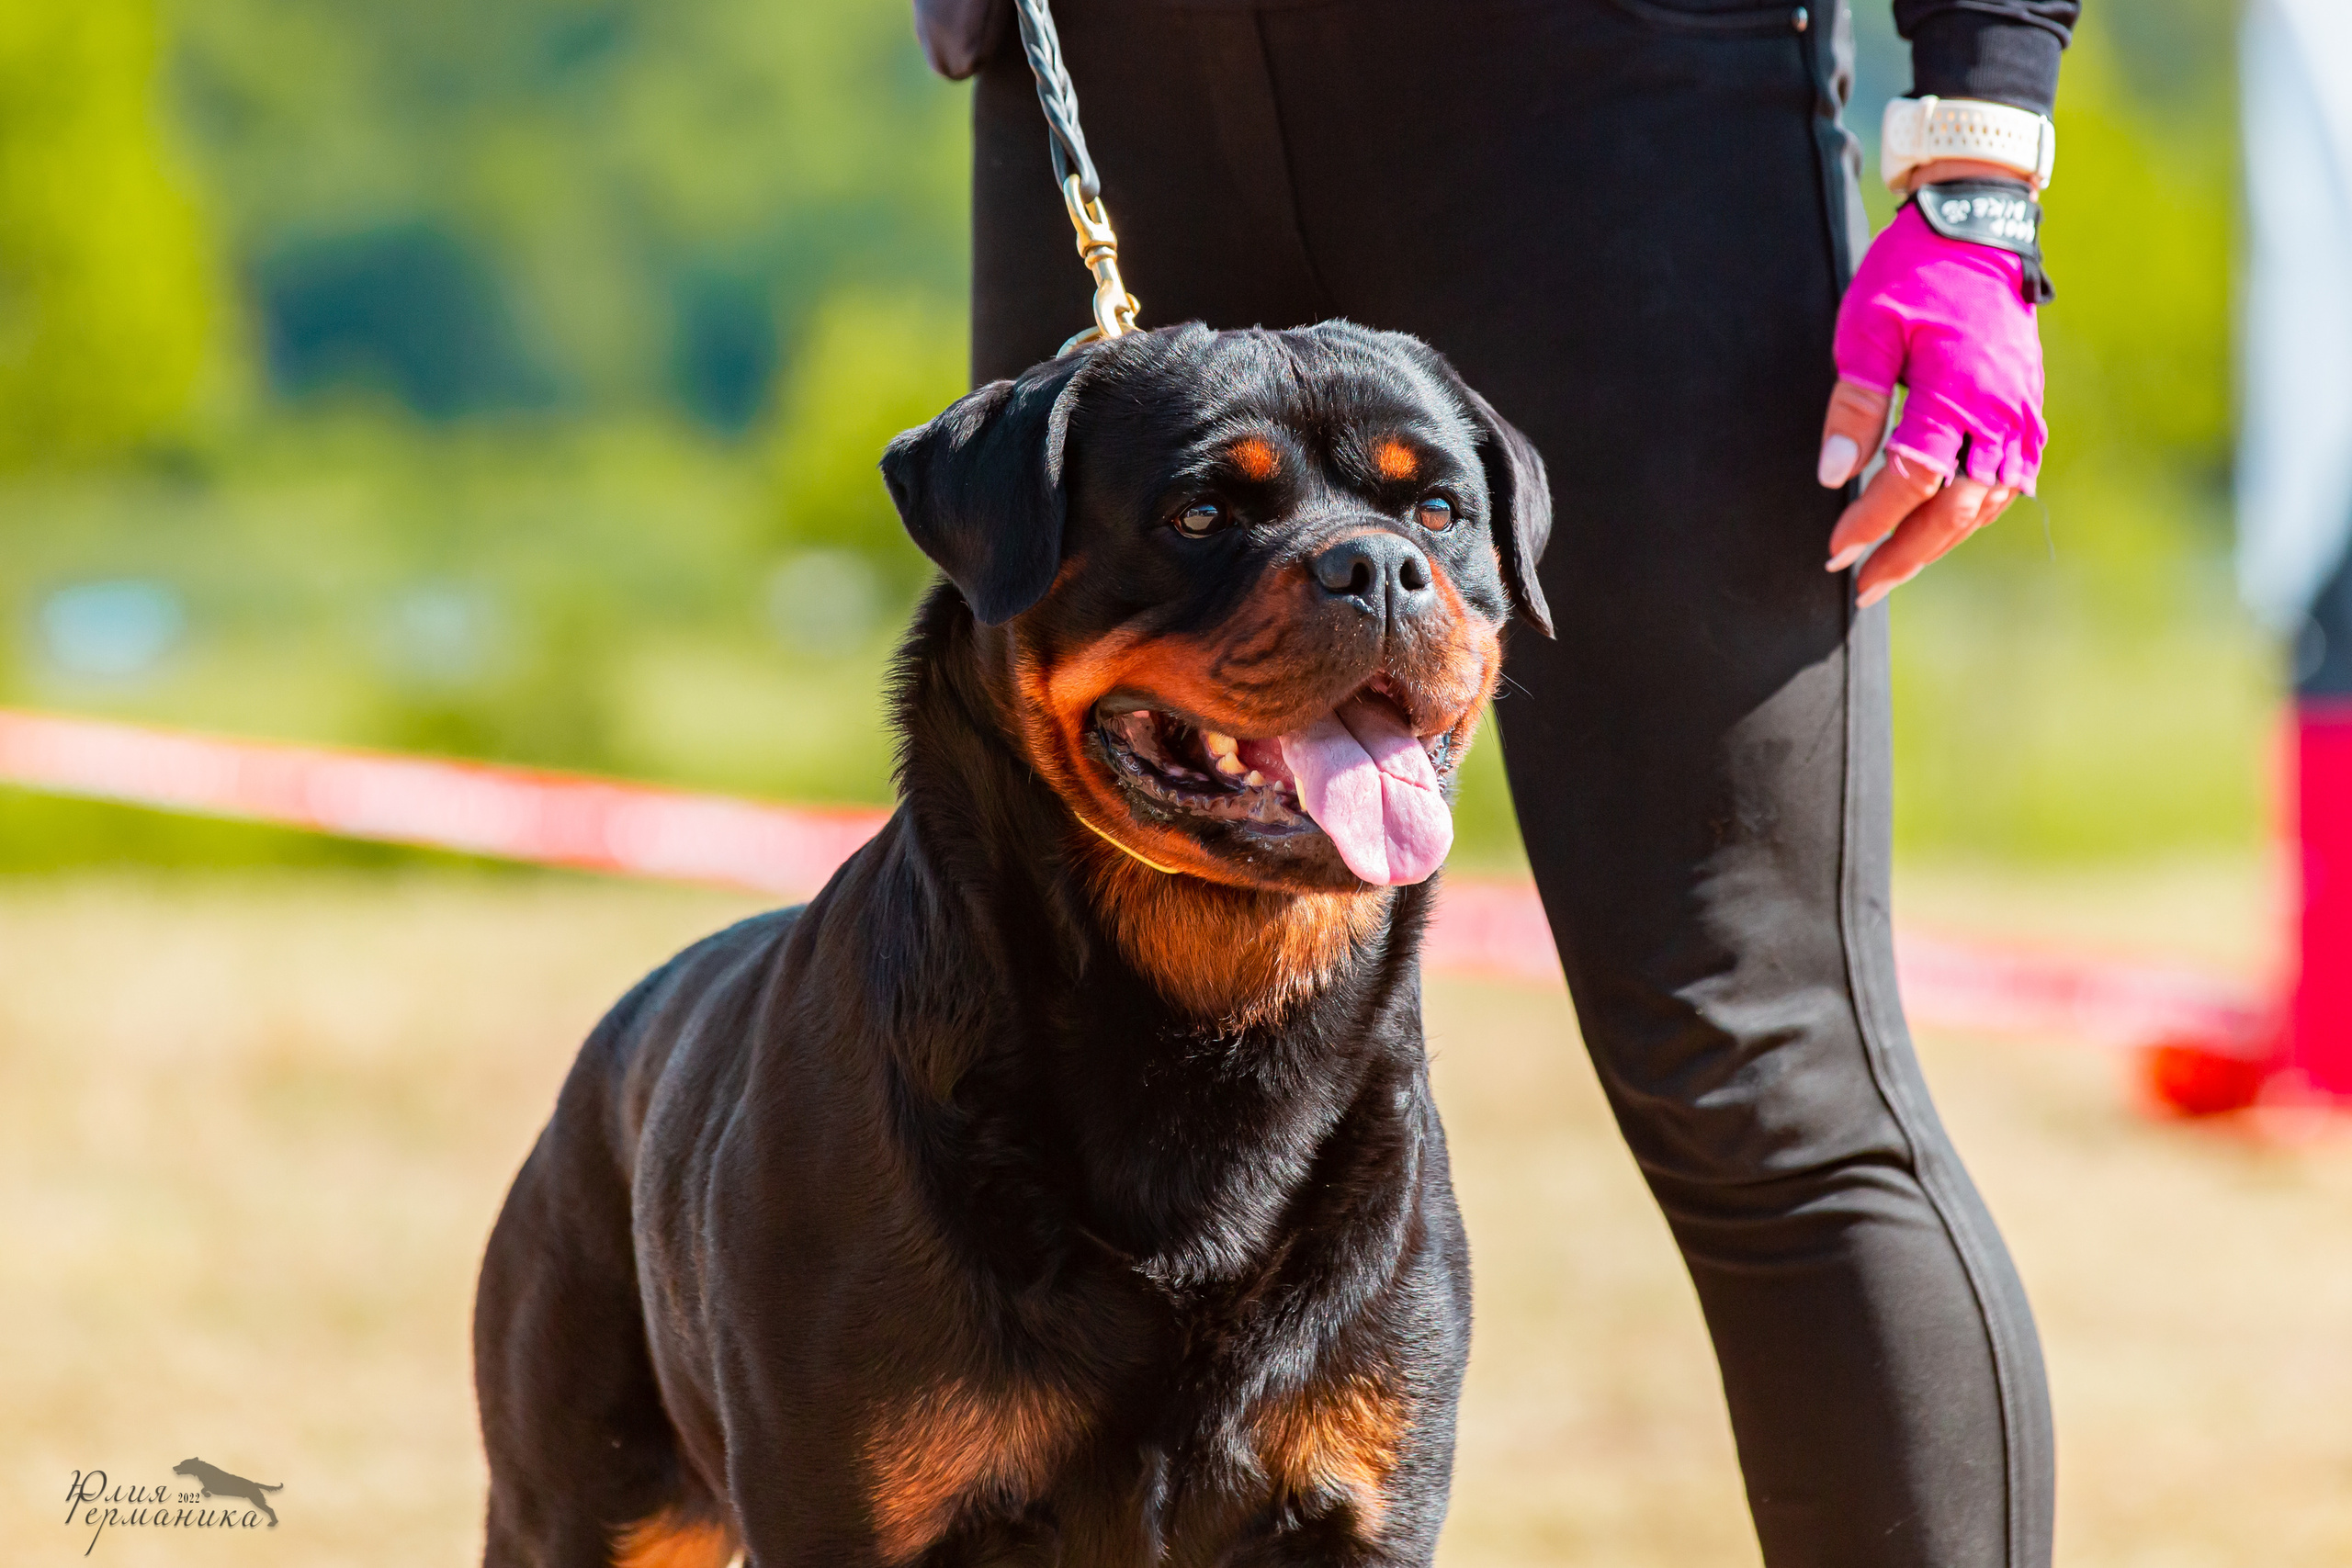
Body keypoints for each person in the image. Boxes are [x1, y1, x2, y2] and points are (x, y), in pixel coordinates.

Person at [917, 0, 2073, 1562]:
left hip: (1604, 97)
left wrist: (1977, 165)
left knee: (1751, 1052)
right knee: (1028, 1051)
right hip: (1104, 63)